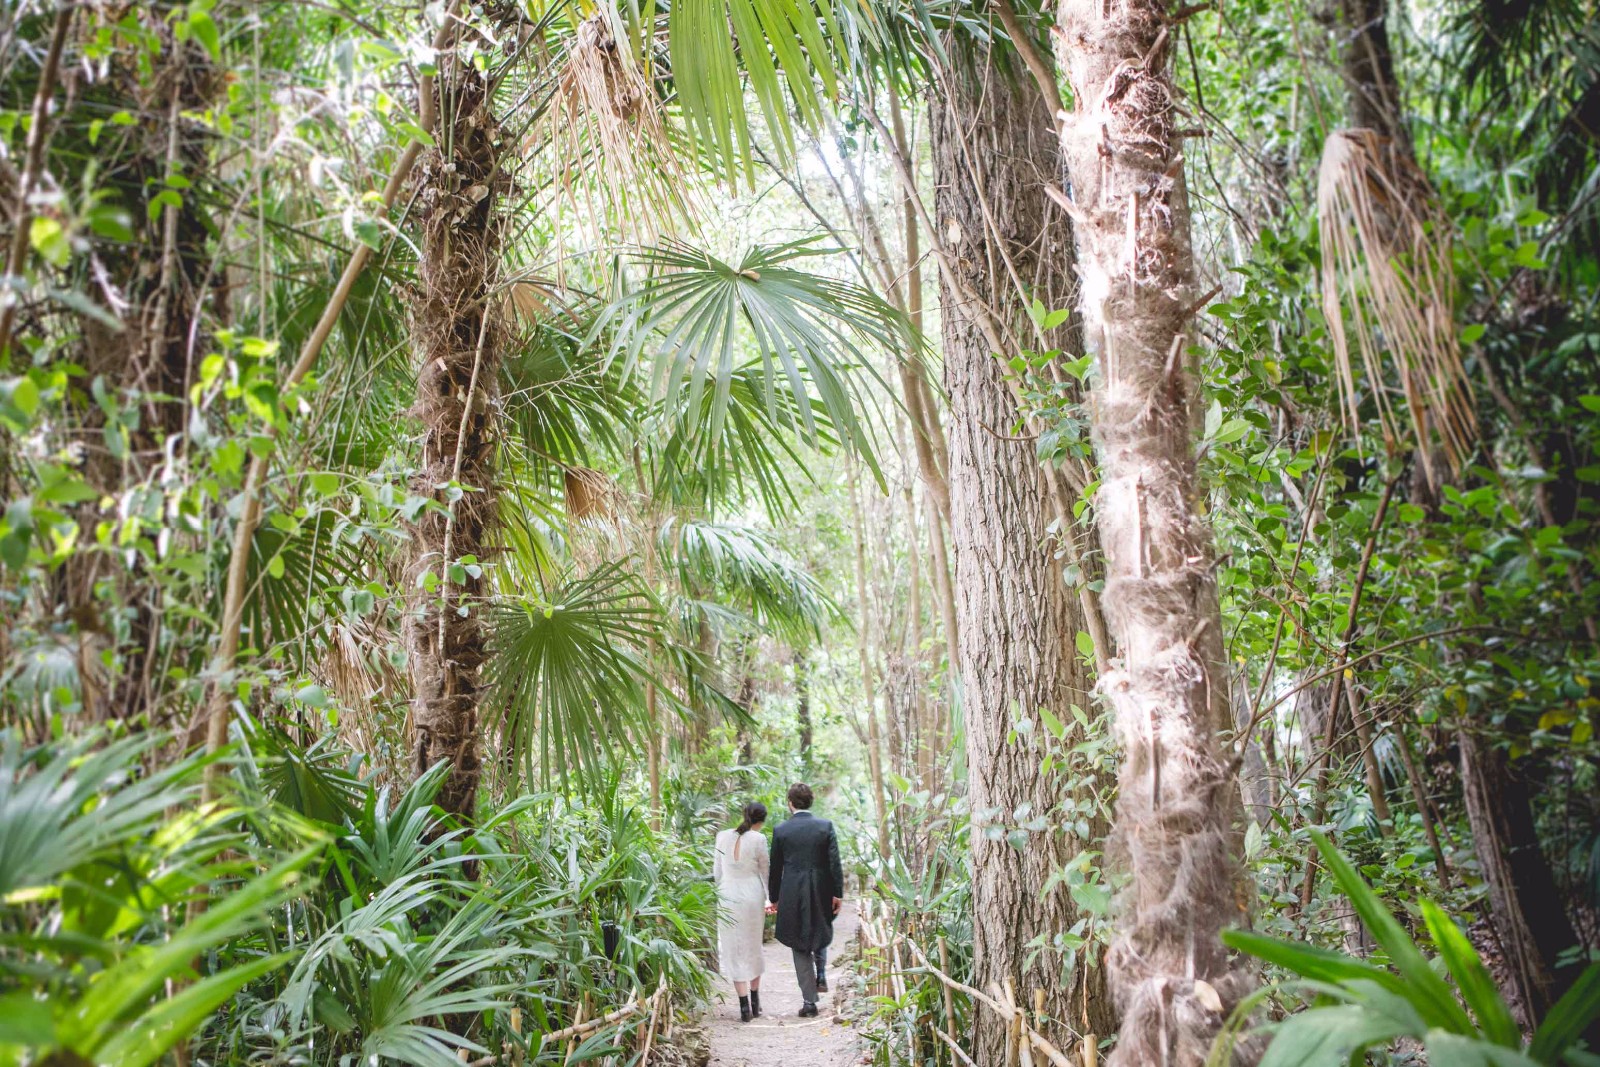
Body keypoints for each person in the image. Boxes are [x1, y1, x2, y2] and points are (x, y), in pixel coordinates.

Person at [767, 782, 844, 1017]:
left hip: (792, 891)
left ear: (790, 803)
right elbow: (834, 863)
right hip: (821, 888)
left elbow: (776, 868)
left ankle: (809, 1002)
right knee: (820, 928)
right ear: (810, 801)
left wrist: (775, 897)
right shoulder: (825, 826)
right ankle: (820, 972)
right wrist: (837, 892)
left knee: (799, 943)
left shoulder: (781, 830)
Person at [713, 801, 769, 1022]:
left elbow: (717, 872)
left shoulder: (721, 836)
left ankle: (743, 1005)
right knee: (753, 945)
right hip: (751, 896)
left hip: (727, 894)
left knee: (732, 947)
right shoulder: (759, 839)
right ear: (761, 821)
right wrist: (771, 898)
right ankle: (755, 1000)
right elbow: (765, 872)